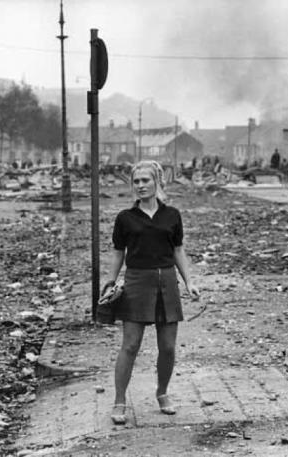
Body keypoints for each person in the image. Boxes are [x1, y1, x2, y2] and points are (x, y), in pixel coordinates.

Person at [102, 160, 200, 425]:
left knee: (167, 347)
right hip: (136, 283)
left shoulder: (172, 215)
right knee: (130, 345)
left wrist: (189, 281)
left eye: (146, 180)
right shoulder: (125, 218)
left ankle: (162, 392)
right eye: (136, 182)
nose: (141, 186)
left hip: (167, 283)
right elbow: (117, 252)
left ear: (157, 182)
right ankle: (120, 401)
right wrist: (110, 282)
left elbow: (178, 250)